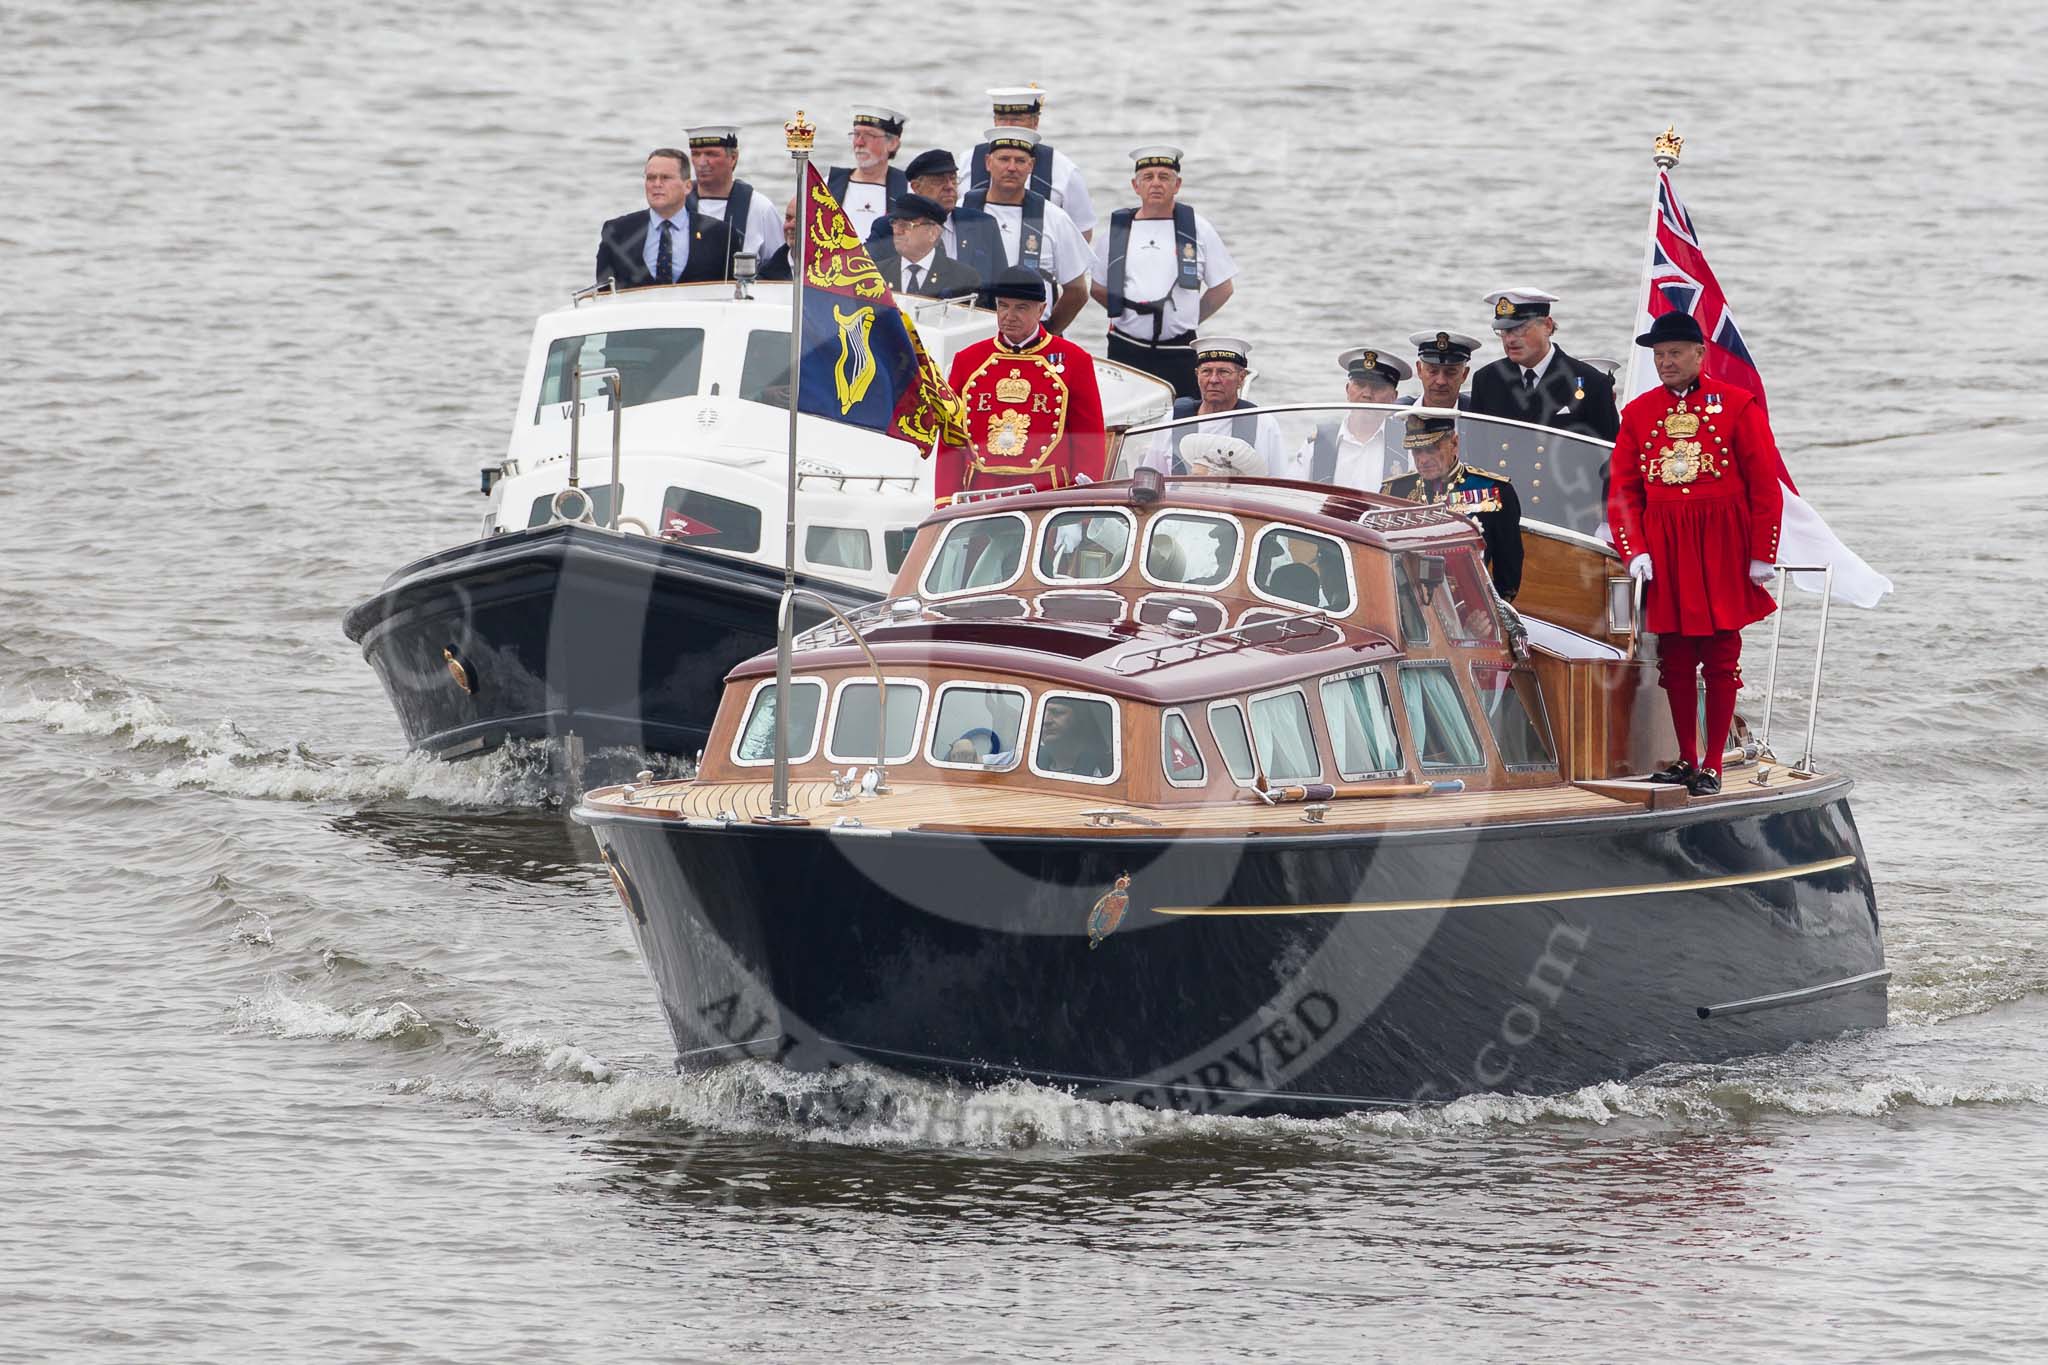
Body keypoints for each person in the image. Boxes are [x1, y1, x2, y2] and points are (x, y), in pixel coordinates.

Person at [1608, 312, 1784, 797]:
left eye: (1675, 354)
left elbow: (1763, 486)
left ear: (1699, 353)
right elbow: (1623, 490)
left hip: (1722, 545)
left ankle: (1713, 764)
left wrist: (1759, 553)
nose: (1666, 363)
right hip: (1665, 545)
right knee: (1676, 657)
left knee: (1721, 655)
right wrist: (1635, 549)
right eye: (1659, 356)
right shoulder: (1639, 412)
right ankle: (1686, 756)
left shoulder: (1737, 405)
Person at [935, 267, 1107, 502]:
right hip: (980, 493)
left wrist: (1084, 502)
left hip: (1047, 494)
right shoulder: (968, 360)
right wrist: (946, 501)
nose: (1009, 315)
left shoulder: (1075, 360)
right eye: (1003, 305)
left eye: (1021, 307)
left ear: (1041, 310)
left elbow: (1089, 440)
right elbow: (951, 440)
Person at [1090, 146, 1236, 402]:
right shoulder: (1117, 233)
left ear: (1177, 184)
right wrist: (1131, 312)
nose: (1156, 183)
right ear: (1136, 186)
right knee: (1125, 420)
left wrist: (1188, 317)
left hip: (1179, 349)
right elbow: (1097, 288)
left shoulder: (1198, 230)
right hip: (1127, 348)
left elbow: (1223, 287)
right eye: (1148, 177)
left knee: (1180, 419)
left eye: (1164, 177)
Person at [962, 127, 1091, 333]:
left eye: (1020, 161)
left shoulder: (1054, 218)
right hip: (969, 332)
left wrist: (1048, 332)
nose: (1011, 167)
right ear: (988, 162)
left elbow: (1077, 291)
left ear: (1031, 165)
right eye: (1004, 159)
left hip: (1031, 338)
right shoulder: (959, 212)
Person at [1382, 415, 1524, 601]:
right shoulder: (1395, 490)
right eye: (1416, 451)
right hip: (1408, 605)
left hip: (1470, 610)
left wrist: (1486, 615)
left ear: (1454, 443)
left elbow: (1508, 577)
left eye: (1431, 449)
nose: (1423, 459)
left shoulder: (1492, 490)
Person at [1468, 287, 1621, 441]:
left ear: (1547, 326)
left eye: (1520, 328)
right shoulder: (1487, 380)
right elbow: (1477, 449)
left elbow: (1609, 455)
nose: (1510, 339)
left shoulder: (1592, 383)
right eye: (1504, 331)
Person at [1131, 336, 1286, 476]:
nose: (1213, 379)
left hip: (1239, 506)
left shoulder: (1263, 424)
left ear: (1241, 378)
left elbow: (1279, 483)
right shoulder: (1172, 420)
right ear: (1197, 375)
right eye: (1206, 371)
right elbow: (1153, 479)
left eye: (1223, 372)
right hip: (1178, 505)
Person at [867, 150, 1007, 297]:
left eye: (953, 179)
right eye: (939, 181)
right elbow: (864, 278)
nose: (949, 186)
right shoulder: (889, 227)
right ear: (916, 187)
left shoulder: (983, 225)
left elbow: (1001, 287)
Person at [964, 86, 1097, 237]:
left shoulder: (1064, 170)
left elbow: (1082, 231)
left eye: (1016, 119)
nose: (1008, 126)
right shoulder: (967, 163)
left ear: (1035, 122)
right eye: (1002, 118)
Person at [595, 148, 736, 287]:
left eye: (665, 178)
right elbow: (603, 293)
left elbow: (734, 293)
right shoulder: (617, 231)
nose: (657, 184)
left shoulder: (721, 234)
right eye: (651, 178)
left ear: (687, 186)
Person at [1284, 346, 1412, 490]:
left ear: (1393, 397)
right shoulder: (1318, 442)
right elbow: (1291, 494)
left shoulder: (1409, 446)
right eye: (1360, 384)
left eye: (1377, 387)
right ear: (1347, 390)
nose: (1367, 394)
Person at [684, 126, 785, 274]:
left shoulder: (760, 208)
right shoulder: (676, 204)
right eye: (696, 154)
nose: (702, 162)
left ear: (733, 158)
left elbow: (780, 268)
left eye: (711, 154)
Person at [824, 106, 910, 239]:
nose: (859, 143)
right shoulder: (828, 185)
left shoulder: (908, 189)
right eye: (856, 134)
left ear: (892, 143)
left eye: (869, 135)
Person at [881, 193, 980, 297]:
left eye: (906, 225)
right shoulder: (876, 273)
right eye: (894, 224)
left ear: (933, 233)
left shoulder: (964, 279)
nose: (897, 231)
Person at [1035, 697, 1112, 778]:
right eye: (1041, 714)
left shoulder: (1105, 771)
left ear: (1079, 719)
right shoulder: (1034, 763)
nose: (1046, 720)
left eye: (1057, 712)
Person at [756, 196, 798, 280]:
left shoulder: (830, 271)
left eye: (799, 220)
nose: (789, 225)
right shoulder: (766, 276)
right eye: (788, 218)